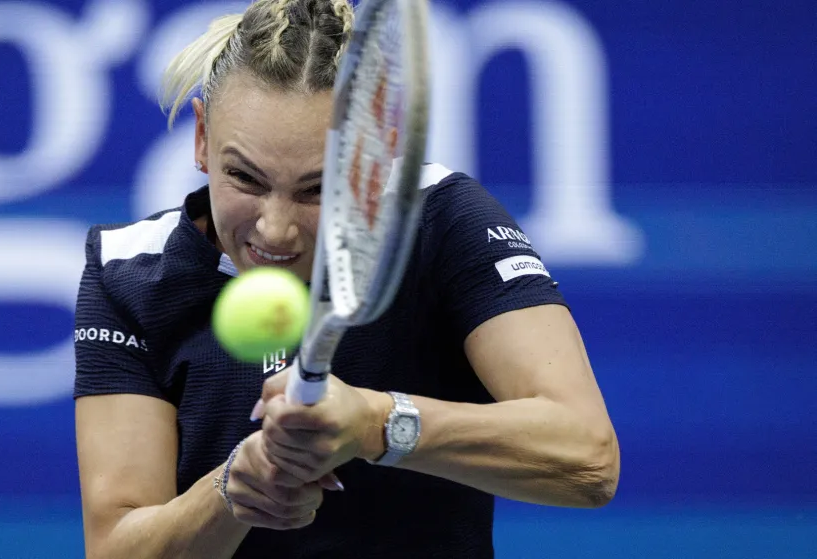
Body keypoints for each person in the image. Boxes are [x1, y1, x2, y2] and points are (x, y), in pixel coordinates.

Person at [72, 0, 620, 556]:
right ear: (201, 140)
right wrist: (232, 491)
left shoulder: (441, 221)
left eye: (317, 188)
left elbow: (588, 458)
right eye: (244, 178)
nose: (276, 229)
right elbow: (116, 546)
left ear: (373, 163)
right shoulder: (128, 273)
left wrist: (375, 423)